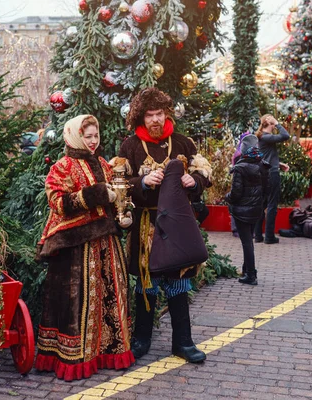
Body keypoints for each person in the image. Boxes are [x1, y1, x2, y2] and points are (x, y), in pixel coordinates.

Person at [35, 115, 134, 381]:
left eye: (96, 136)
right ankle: (77, 357)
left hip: (106, 241)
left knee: (110, 295)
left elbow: (115, 195)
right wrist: (96, 195)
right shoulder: (62, 166)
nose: (93, 141)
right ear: (75, 136)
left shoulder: (103, 163)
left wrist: (121, 209)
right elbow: (57, 201)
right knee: (77, 301)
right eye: (88, 136)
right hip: (75, 246)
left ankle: (108, 351)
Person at [118, 88, 212, 363]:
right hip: (146, 225)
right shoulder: (130, 146)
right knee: (146, 284)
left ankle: (183, 342)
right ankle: (141, 339)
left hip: (178, 225)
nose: (156, 119)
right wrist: (143, 183)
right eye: (150, 115)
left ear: (166, 114)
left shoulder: (183, 142)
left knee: (179, 282)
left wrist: (193, 181)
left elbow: (203, 171)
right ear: (141, 117)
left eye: (160, 113)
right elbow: (119, 186)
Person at [226, 134, 270, 286]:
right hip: (256, 210)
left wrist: (228, 197)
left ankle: (251, 275)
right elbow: (266, 190)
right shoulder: (263, 165)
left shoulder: (240, 167)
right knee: (249, 240)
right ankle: (247, 270)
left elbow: (236, 193)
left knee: (246, 243)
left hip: (241, 211)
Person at [254, 114, 290, 244]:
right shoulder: (266, 136)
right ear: (269, 123)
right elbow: (285, 136)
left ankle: (257, 235)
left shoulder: (262, 137)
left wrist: (279, 164)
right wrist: (277, 123)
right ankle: (269, 237)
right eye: (273, 121)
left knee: (262, 203)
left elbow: (265, 156)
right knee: (271, 204)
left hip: (264, 172)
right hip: (271, 174)